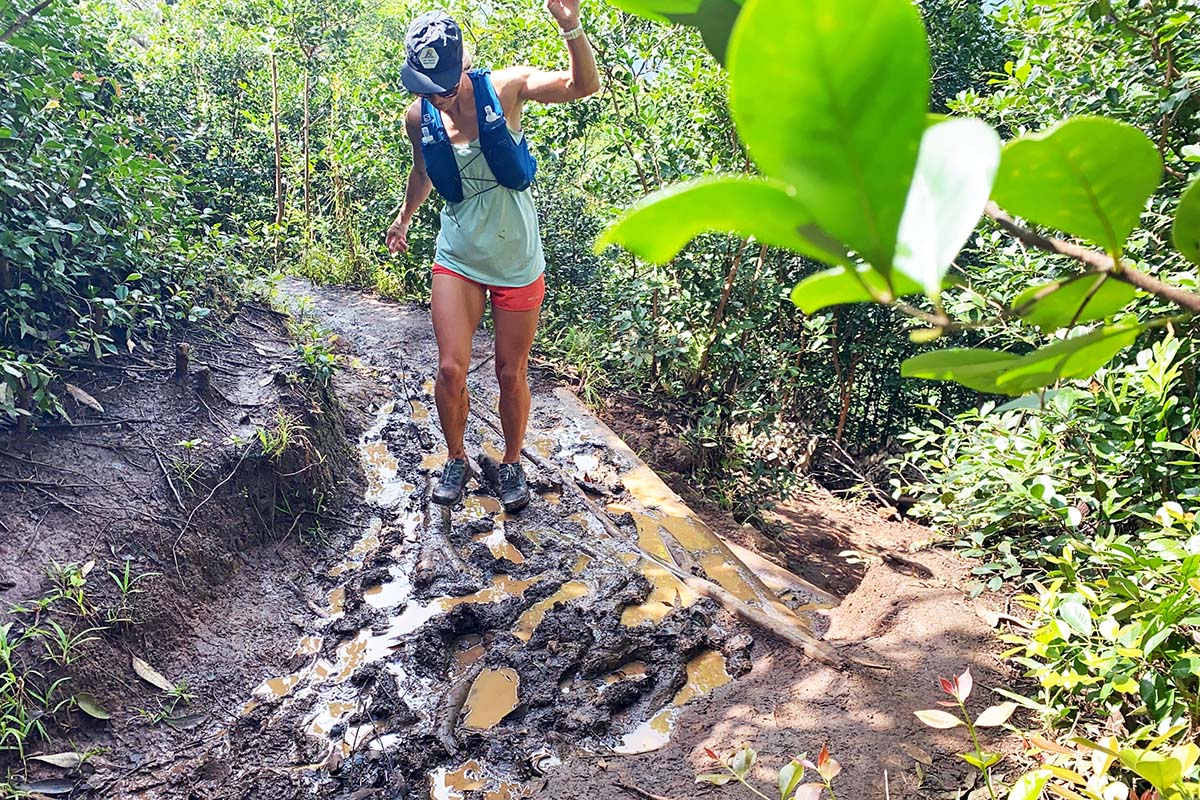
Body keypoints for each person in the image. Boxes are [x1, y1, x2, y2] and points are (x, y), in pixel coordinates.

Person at [385, 1, 599, 513]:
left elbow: (582, 85)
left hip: (516, 260)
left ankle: (511, 463)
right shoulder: (420, 115)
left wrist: (569, 25)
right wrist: (404, 217)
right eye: (427, 87)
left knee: (510, 372)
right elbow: (424, 172)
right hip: (457, 255)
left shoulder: (503, 88)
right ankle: (456, 458)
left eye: (446, 84)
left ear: (463, 65)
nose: (438, 96)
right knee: (450, 370)